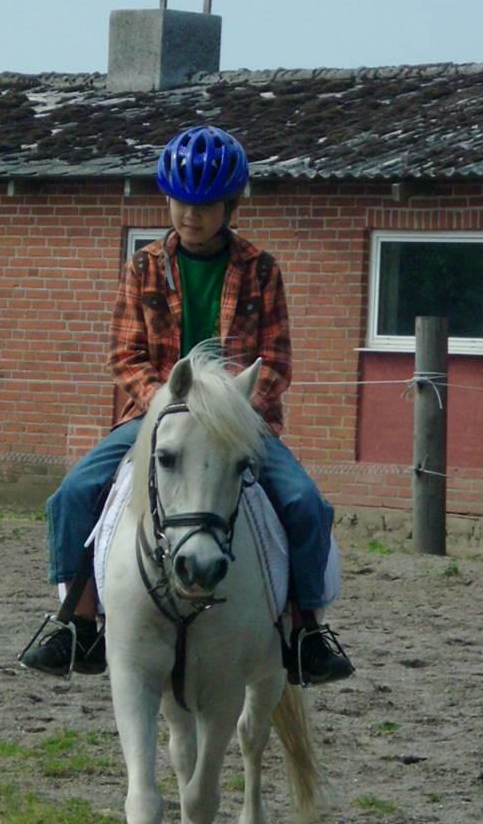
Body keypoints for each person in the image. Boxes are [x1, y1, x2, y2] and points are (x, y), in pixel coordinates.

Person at [20, 125, 353, 686]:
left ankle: (306, 632)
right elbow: (125, 355)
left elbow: (276, 362)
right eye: (180, 201)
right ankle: (78, 624)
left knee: (304, 503)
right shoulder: (144, 266)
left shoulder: (262, 270)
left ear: (230, 206)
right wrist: (168, 408)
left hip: (239, 422)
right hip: (155, 417)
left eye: (204, 205)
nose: (189, 215)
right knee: (73, 493)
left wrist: (228, 410)